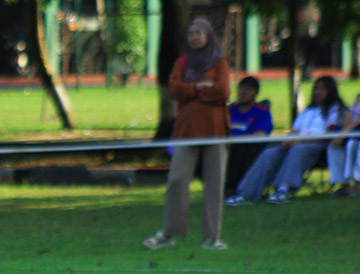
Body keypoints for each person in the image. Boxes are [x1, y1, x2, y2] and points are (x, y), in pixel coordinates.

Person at [143, 18, 230, 251]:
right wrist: (198, 87)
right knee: (177, 180)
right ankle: (169, 233)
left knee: (214, 183)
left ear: (208, 35)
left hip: (215, 130)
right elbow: (173, 89)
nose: (194, 37)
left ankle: (212, 237)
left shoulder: (219, 61)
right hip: (186, 130)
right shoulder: (182, 62)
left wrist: (191, 92)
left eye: (199, 32)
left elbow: (223, 91)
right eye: (191, 33)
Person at [225, 76, 345, 206]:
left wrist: (301, 141)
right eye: (316, 89)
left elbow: (330, 132)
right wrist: (289, 140)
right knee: (270, 153)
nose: (317, 92)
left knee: (298, 150)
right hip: (297, 142)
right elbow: (295, 130)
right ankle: (245, 193)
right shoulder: (308, 110)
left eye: (322, 89)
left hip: (318, 145)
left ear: (330, 91)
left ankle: (283, 189)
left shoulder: (335, 109)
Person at [225, 76, 273, 196]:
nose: (243, 93)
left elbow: (260, 134)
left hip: (247, 150)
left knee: (239, 149)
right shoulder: (229, 110)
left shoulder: (261, 112)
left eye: (248, 89)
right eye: (241, 89)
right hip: (225, 147)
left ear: (255, 92)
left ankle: (231, 189)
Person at [327, 93, 360, 197]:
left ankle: (358, 185)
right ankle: (345, 186)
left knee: (354, 146)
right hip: (353, 137)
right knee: (334, 147)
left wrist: (343, 133)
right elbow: (346, 124)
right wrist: (354, 105)